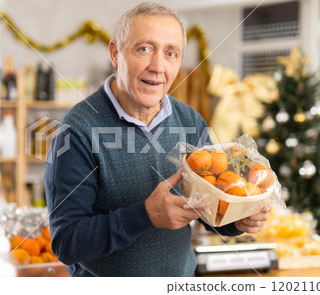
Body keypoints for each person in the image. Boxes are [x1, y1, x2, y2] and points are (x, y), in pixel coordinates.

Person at [44, 2, 270, 277]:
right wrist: (145, 216)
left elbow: (208, 209)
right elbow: (67, 242)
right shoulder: (77, 129)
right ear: (116, 53)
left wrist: (239, 218)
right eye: (144, 49)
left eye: (171, 53)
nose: (158, 66)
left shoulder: (190, 120)